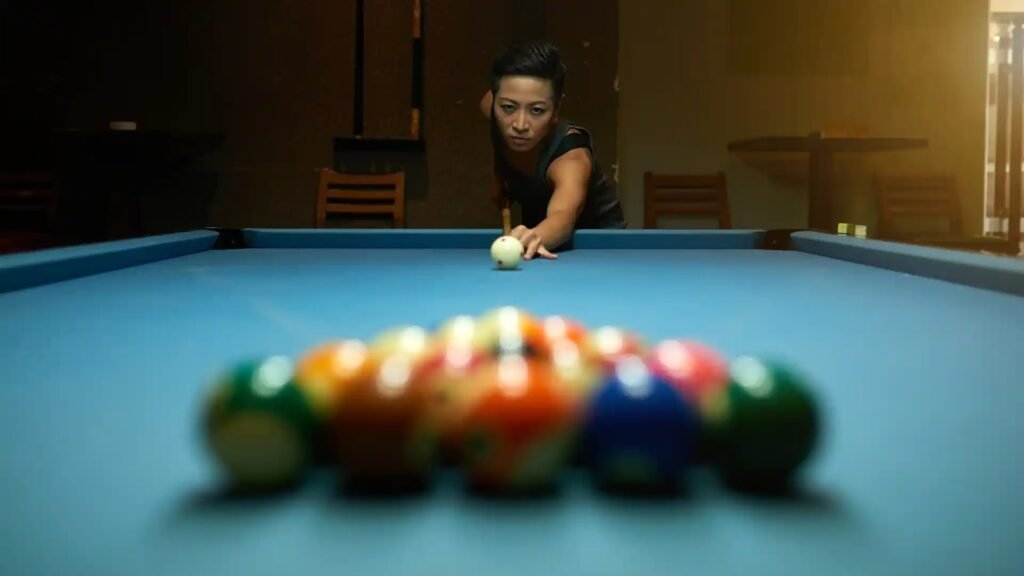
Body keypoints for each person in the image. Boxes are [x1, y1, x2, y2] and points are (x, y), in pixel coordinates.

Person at [481, 41, 626, 260]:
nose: (520, 124)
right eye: (508, 107)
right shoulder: (492, 108)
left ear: (556, 110)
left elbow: (562, 217)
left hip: (601, 248)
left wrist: (535, 235)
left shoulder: (571, 157)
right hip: (539, 243)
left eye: (537, 110)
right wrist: (499, 174)